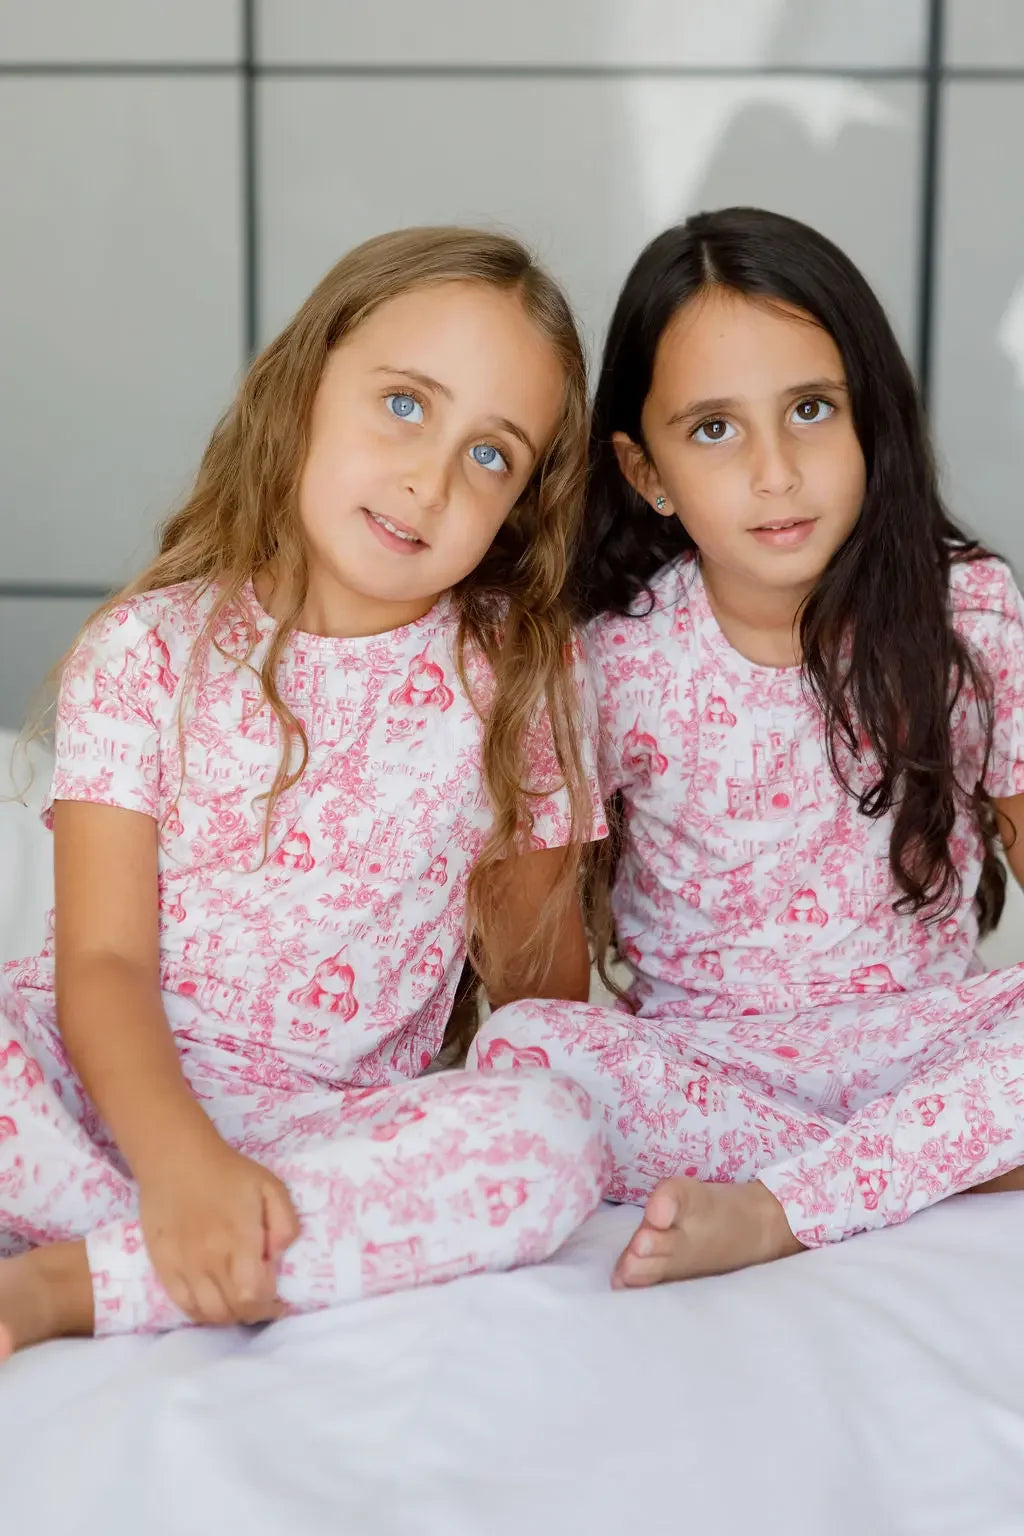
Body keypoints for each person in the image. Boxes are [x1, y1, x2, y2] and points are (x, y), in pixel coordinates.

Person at [0, 227, 609, 1357]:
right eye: (405, 404)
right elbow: (103, 966)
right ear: (305, 385)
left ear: (519, 506)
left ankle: (77, 1281)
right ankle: (211, 1240)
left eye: (491, 455)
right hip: (100, 1092)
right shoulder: (146, 649)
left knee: (553, 1134)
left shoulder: (525, 682)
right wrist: (182, 1164)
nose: (431, 475)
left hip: (328, 1133)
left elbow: (540, 1007)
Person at [468, 207, 1024, 1288]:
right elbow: (537, 982)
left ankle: (782, 1206)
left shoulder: (970, 608)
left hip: (924, 1047)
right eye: (714, 429)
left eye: (810, 411)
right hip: (704, 1068)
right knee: (522, 1055)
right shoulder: (606, 659)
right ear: (646, 472)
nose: (774, 471)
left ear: (872, 421)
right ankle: (927, 1167)